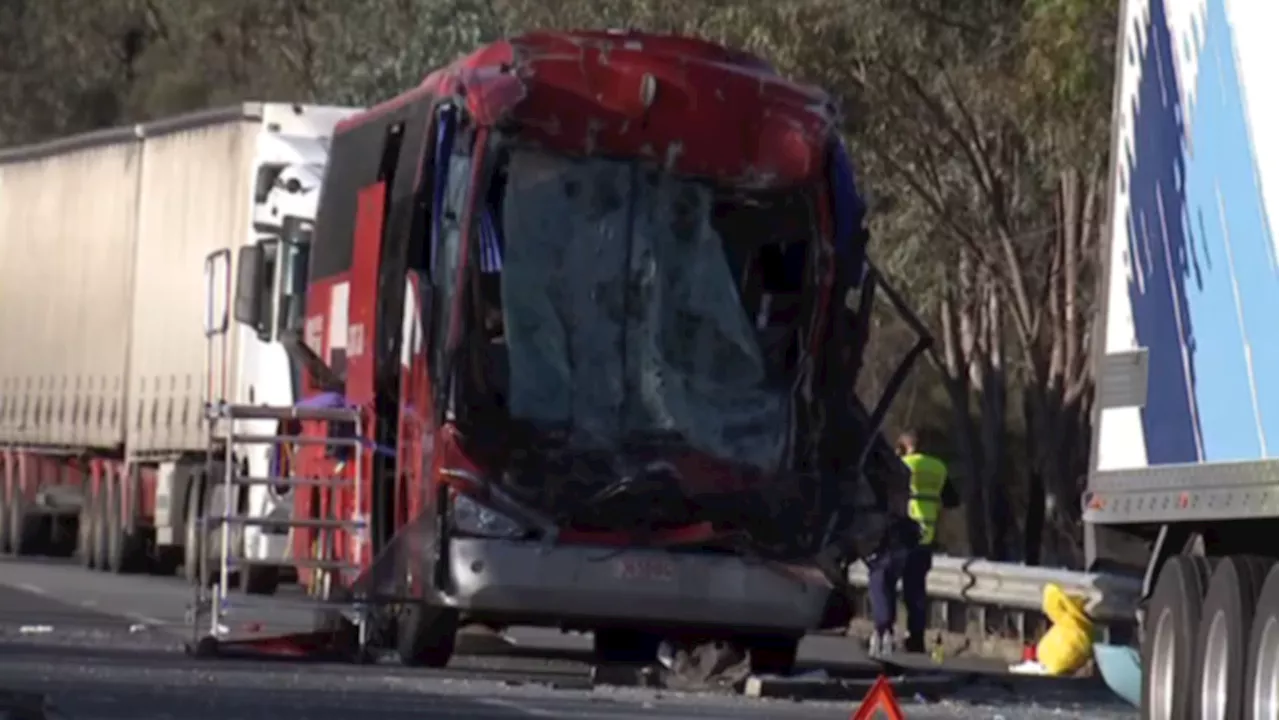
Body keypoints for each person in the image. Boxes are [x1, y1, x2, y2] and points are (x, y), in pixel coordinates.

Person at [866, 429, 960, 656]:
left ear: (903, 446)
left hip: (899, 534)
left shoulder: (900, 466)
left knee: (883, 580)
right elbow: (952, 500)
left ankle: (884, 630)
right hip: (925, 536)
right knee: (915, 590)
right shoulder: (938, 467)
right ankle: (915, 638)